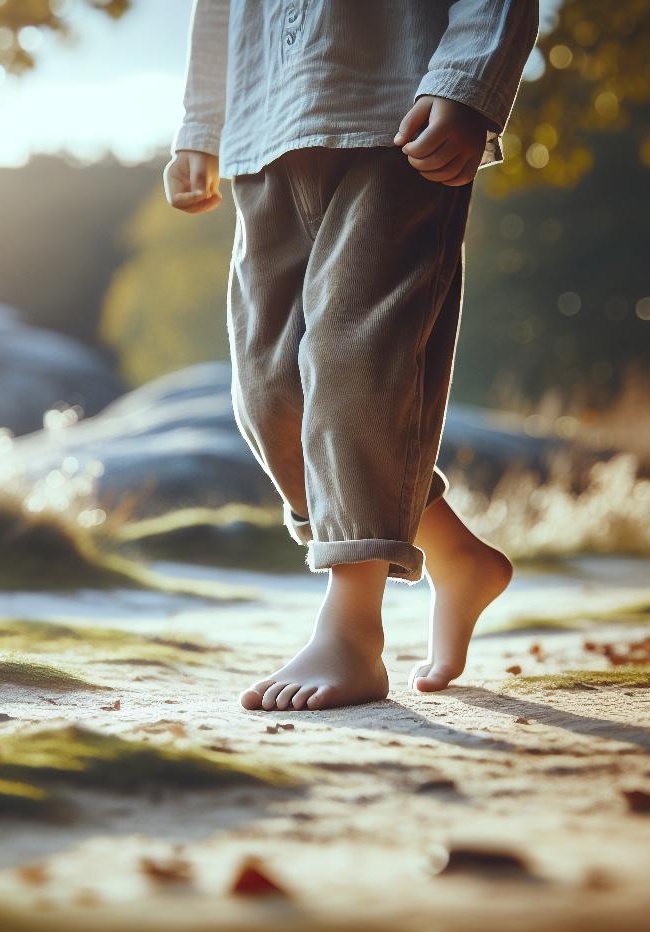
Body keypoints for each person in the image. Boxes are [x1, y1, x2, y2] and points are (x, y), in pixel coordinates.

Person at [166, 0, 538, 711]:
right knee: (270, 395)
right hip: (259, 133)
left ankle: (353, 630)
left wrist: (468, 82)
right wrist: (199, 128)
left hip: (398, 118)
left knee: (353, 364)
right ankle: (460, 558)